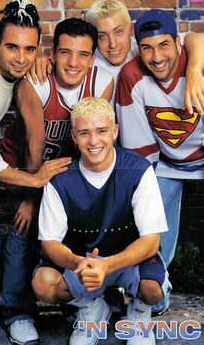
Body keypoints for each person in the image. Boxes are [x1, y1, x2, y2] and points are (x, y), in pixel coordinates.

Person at [0, 17, 114, 342]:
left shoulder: (102, 81)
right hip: (28, 169)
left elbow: (94, 144)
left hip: (68, 176)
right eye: (65, 53)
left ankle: (83, 306)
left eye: (82, 54)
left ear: (93, 58)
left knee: (80, 232)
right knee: (24, 229)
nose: (73, 62)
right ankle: (16, 312)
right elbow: (35, 147)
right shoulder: (34, 82)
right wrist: (30, 198)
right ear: (52, 52)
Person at [32, 97, 171, 345]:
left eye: (102, 131)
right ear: (74, 136)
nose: (94, 141)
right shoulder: (60, 179)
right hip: (83, 262)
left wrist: (107, 265)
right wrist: (78, 262)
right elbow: (49, 242)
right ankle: (92, 309)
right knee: (44, 284)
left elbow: (151, 241)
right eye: (84, 133)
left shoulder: (138, 170)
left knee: (152, 289)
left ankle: (139, 314)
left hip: (128, 260)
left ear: (115, 132)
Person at [0, 0, 71, 345]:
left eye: (29, 49)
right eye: (12, 47)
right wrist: (34, 182)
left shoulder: (20, 70)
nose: (21, 57)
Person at [116, 9, 204, 269]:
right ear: (138, 49)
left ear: (178, 43)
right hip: (166, 164)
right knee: (147, 224)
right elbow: (140, 149)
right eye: (147, 48)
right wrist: (145, 200)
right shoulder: (131, 76)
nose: (157, 57)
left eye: (163, 45)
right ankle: (155, 292)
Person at [85, 0, 204, 114]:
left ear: (131, 30)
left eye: (118, 32)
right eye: (102, 36)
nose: (113, 44)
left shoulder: (146, 46)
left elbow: (200, 39)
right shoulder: (88, 65)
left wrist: (194, 71)